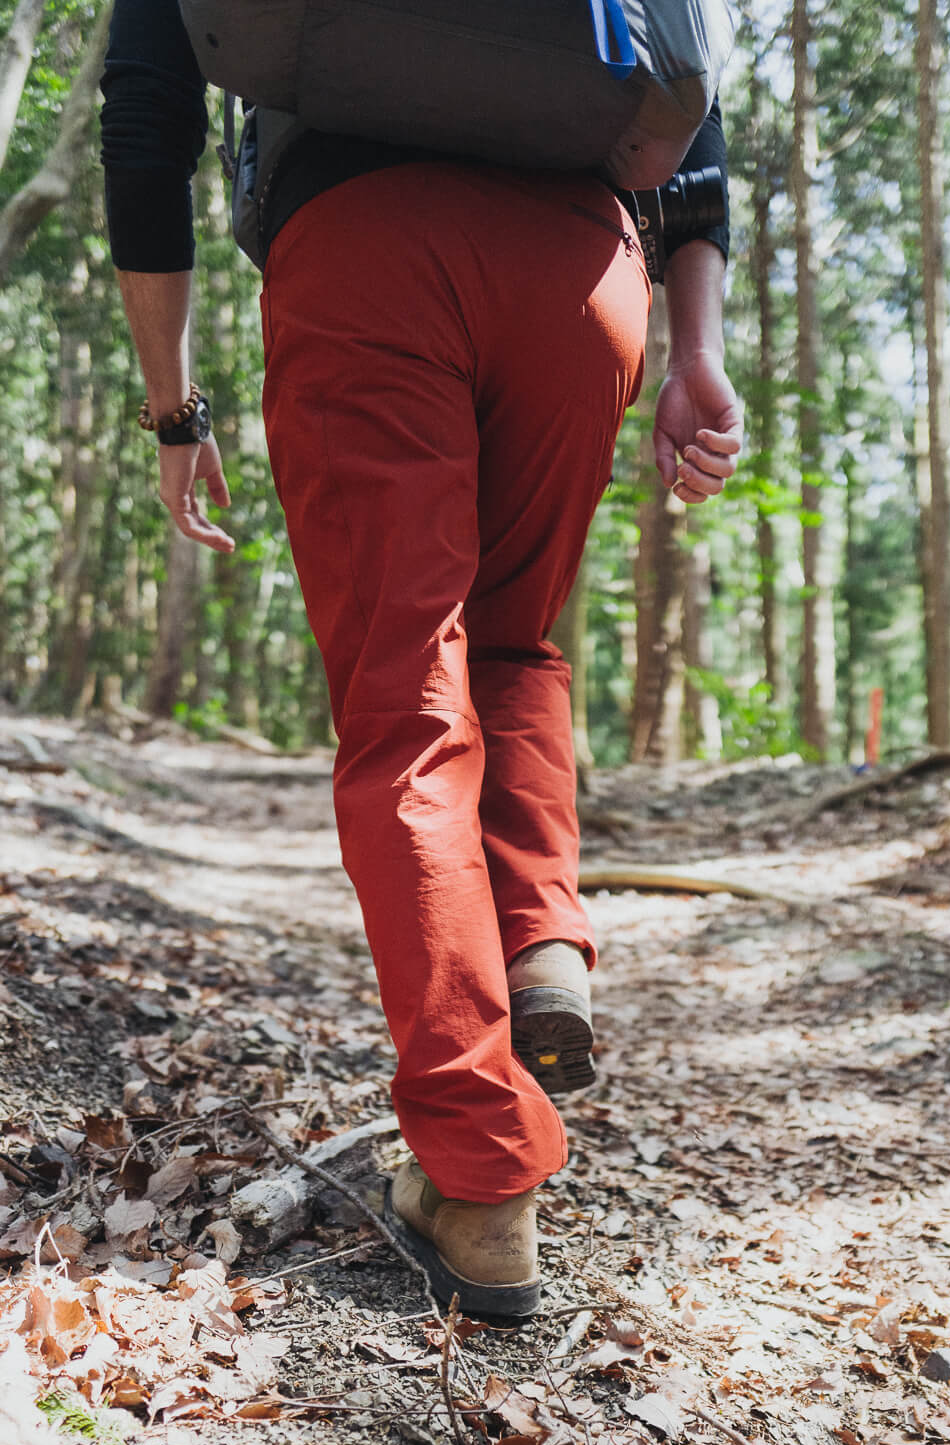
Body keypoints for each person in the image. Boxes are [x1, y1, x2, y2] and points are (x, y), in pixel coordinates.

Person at [100, 0, 743, 1323]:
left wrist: (175, 405)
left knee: (404, 704)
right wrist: (697, 350)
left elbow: (148, 114)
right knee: (511, 642)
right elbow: (691, 93)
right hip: (581, 276)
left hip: (364, 246)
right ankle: (539, 938)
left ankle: (479, 1178)